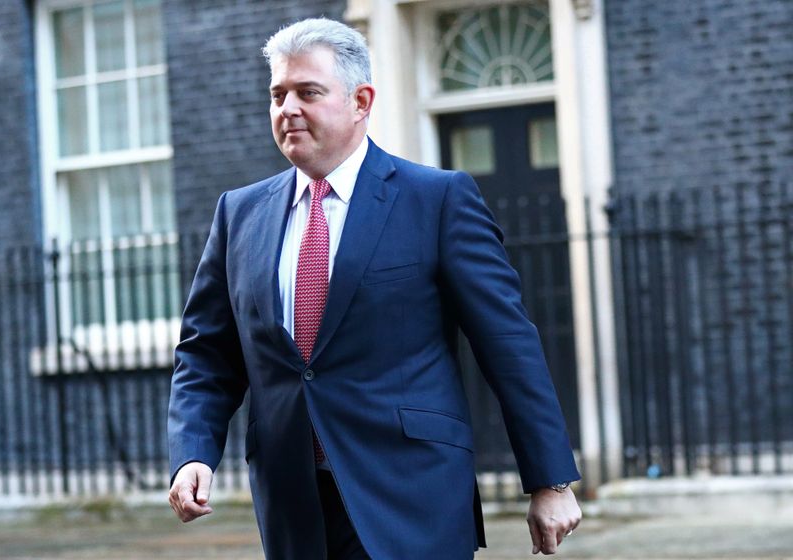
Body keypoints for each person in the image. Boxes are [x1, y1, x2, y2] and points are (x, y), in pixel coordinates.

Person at [167, 17, 581, 559]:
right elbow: (207, 355)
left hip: (411, 493)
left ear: (361, 101)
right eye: (278, 93)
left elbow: (508, 344)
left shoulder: (436, 199)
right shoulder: (238, 213)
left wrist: (549, 482)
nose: (287, 107)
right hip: (293, 502)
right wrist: (193, 452)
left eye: (308, 92)